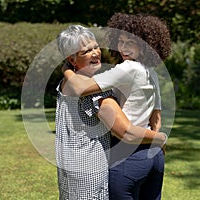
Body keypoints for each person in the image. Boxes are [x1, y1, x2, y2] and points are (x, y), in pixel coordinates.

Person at [62, 13, 171, 200]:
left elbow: (81, 88)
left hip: (127, 156)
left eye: (131, 43)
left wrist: (65, 69)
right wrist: (156, 141)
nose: (123, 48)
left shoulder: (127, 68)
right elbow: (156, 118)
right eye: (120, 42)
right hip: (153, 157)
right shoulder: (150, 71)